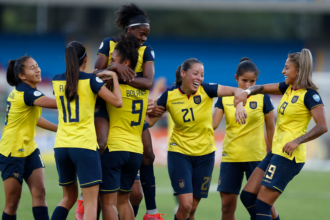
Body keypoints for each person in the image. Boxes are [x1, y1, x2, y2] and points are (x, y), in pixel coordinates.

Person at [74, 3, 163, 220]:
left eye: (147, 35)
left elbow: (148, 81)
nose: (144, 38)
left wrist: (120, 75)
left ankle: (151, 211)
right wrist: (114, 68)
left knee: (149, 154)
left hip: (131, 110)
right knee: (102, 143)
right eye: (142, 34)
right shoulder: (109, 43)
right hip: (107, 106)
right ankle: (85, 196)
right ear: (129, 30)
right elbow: (96, 73)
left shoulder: (146, 50)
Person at [146, 58, 247, 220]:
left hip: (205, 156)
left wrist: (239, 105)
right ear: (183, 74)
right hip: (179, 154)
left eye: (202, 75)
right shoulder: (169, 95)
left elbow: (238, 91)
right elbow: (150, 122)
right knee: (185, 205)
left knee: (191, 208)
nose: (200, 78)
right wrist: (141, 113)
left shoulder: (207, 90)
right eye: (196, 73)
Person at [234, 49, 328, 220]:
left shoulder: (310, 95)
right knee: (247, 196)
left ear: (298, 71)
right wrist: (246, 93)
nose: (283, 71)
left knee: (262, 204)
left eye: (286, 68)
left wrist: (297, 141)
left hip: (288, 156)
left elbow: (322, 126)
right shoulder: (288, 88)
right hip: (276, 152)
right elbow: (260, 87)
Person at [51, 41, 123, 220]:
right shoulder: (91, 80)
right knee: (90, 203)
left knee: (67, 198)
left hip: (61, 146)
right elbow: (117, 102)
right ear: (86, 59)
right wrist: (113, 78)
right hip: (83, 146)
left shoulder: (56, 80)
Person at [212, 57, 280, 220]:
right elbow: (212, 125)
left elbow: (271, 128)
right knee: (226, 207)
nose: (248, 85)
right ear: (236, 78)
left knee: (265, 205)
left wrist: (272, 155)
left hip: (256, 158)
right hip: (231, 157)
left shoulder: (263, 98)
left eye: (252, 81)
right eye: (244, 81)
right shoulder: (225, 97)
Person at [94, 35, 149, 220]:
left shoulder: (111, 85)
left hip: (115, 148)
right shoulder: (142, 87)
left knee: (108, 203)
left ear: (125, 63)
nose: (109, 63)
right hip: (135, 151)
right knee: (124, 202)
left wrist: (112, 70)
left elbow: (92, 76)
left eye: (113, 60)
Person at [0, 56, 58, 220]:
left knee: (40, 193)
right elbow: (57, 104)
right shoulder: (27, 93)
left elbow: (36, 119)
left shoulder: (28, 92)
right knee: (12, 203)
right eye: (32, 68)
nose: (38, 69)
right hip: (12, 152)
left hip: (30, 149)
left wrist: (59, 130)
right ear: (22, 76)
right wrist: (80, 93)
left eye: (37, 66)